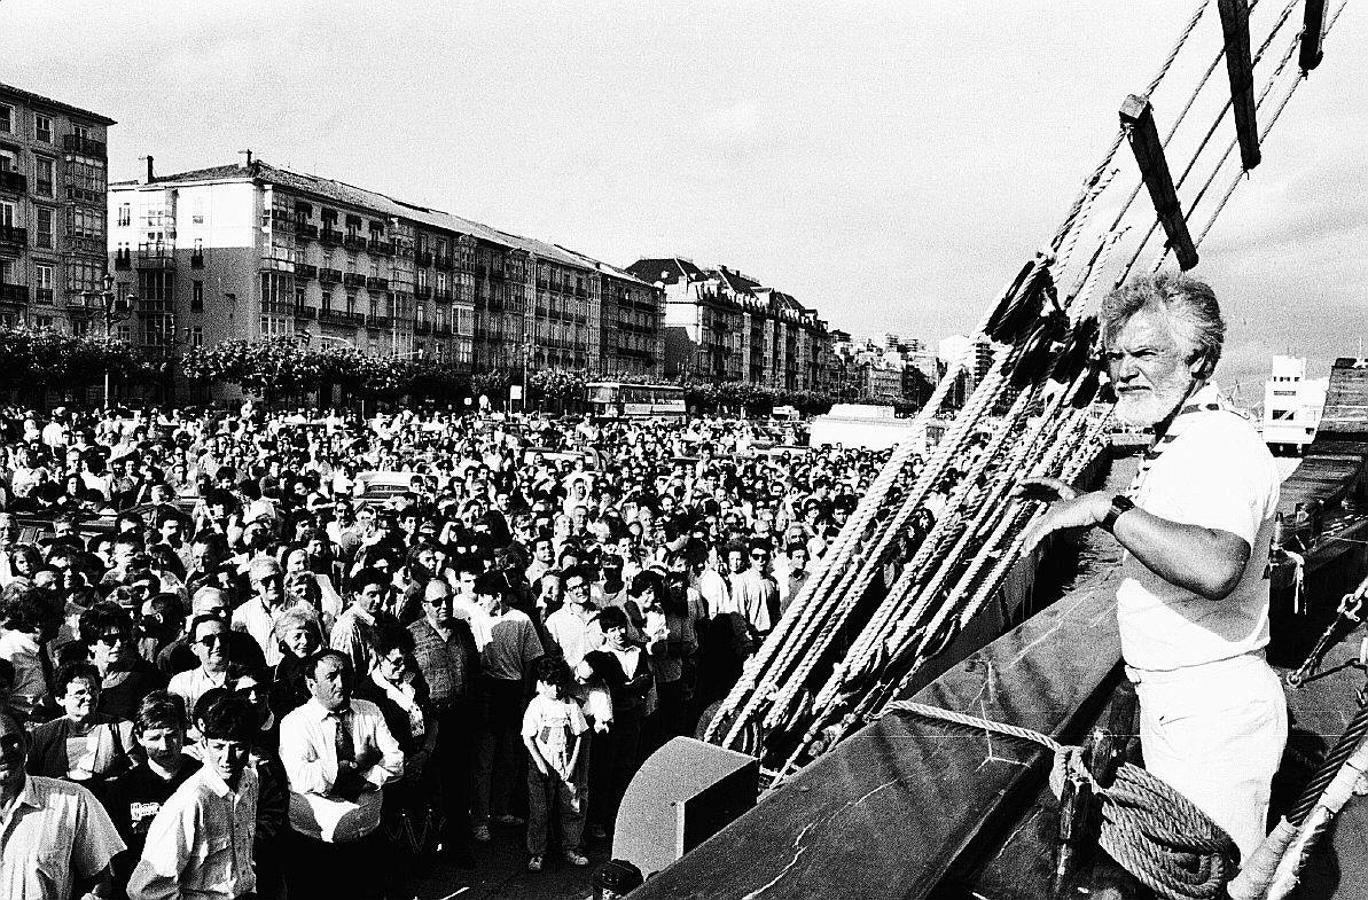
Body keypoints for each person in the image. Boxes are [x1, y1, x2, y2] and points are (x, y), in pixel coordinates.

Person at [1021, 272, 1285, 862]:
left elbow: (1217, 566)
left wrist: (1104, 507)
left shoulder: (1220, 443)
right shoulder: (1184, 442)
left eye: (1144, 352)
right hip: (1183, 701)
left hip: (1211, 711)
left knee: (1213, 877)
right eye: (1116, 355)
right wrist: (1093, 503)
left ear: (1198, 360)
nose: (1123, 370)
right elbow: (1173, 537)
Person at [277, 650, 403, 900]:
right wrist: (357, 763)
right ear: (312, 685)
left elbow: (397, 762)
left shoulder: (369, 711)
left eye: (346, 675)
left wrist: (363, 780)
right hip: (318, 844)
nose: (342, 684)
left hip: (368, 837)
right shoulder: (296, 723)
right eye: (332, 677)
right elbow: (301, 778)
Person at [126, 689, 259, 900]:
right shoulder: (191, 800)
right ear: (204, 743)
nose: (228, 758)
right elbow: (144, 889)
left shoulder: (249, 781)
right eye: (218, 747)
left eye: (238, 747)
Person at [0, 706, 127, 900]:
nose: (2, 752)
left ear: (27, 741)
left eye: (10, 741)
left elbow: (100, 881)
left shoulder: (72, 801)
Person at [407, 578, 479, 866]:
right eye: (435, 602)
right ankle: (424, 850)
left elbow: (473, 670)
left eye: (447, 599)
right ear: (424, 605)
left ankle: (458, 846)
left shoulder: (462, 630)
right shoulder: (413, 634)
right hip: (429, 722)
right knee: (427, 787)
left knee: (458, 786)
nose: (443, 606)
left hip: (460, 718)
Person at [105, 691, 201, 897]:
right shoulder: (123, 788)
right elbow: (118, 854)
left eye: (172, 735)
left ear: (184, 732)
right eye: (155, 738)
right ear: (139, 738)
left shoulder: (202, 778)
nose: (164, 746)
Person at [471, 570, 543, 842]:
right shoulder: (476, 619)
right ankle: (479, 819)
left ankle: (500, 810)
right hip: (488, 692)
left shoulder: (520, 620)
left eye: (485, 597)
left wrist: (524, 695)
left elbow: (530, 660)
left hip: (513, 692)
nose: (480, 602)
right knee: (484, 761)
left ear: (498, 597)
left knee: (509, 756)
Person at [26, 661, 136, 795]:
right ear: (60, 699)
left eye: (93, 690)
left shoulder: (122, 730)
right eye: (80, 693)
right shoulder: (42, 736)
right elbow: (30, 780)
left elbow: (136, 776)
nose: (89, 697)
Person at [522, 657, 590, 872]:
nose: (556, 689)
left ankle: (571, 848)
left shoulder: (570, 704)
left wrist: (572, 765)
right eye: (551, 684)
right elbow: (528, 737)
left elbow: (580, 735)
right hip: (541, 766)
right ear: (542, 684)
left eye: (560, 684)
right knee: (540, 811)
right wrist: (540, 764)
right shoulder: (537, 704)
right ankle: (537, 852)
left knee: (572, 807)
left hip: (566, 763)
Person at [168, 615, 232, 715]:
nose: (218, 644)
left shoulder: (245, 679)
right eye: (209, 640)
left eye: (223, 638)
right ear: (194, 649)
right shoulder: (182, 683)